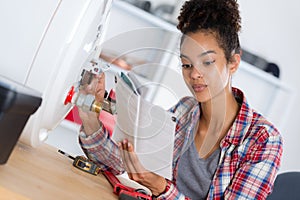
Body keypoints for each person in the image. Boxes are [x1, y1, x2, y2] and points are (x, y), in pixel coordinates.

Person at [78, 0, 283, 199]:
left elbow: (158, 185)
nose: (194, 74)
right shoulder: (186, 110)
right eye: (186, 64)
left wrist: (161, 188)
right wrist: (90, 119)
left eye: (207, 62)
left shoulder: (263, 138)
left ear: (233, 63)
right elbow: (120, 164)